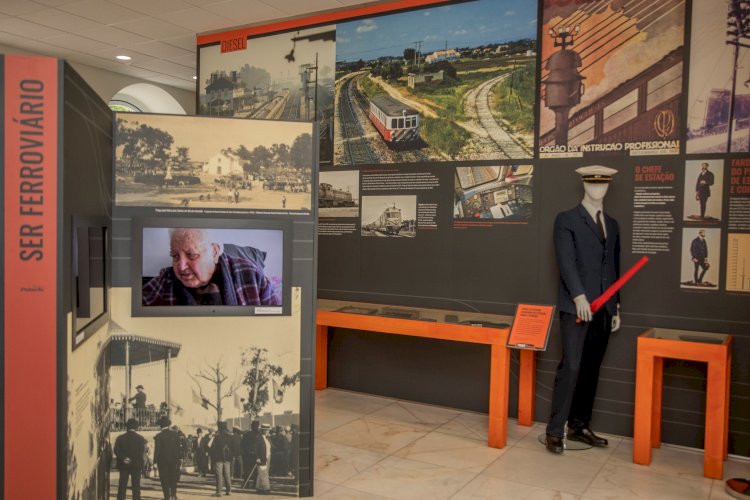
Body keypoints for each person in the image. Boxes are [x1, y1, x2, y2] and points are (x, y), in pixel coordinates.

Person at [545, 165, 621, 454]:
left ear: (608, 186)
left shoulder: (611, 225)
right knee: (572, 366)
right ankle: (555, 430)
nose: (598, 188)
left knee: (591, 368)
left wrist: (617, 306)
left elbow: (613, 266)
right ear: (584, 185)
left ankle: (579, 425)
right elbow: (566, 262)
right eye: (592, 183)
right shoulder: (566, 220)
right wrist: (578, 296)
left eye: (603, 184)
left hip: (604, 307)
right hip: (577, 306)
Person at [142, 228, 279, 306]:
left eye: (192, 255)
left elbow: (276, 321)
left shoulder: (250, 274)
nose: (181, 267)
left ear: (214, 252)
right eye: (175, 256)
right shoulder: (166, 279)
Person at [114, 418, 147, 500]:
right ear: (136, 427)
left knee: (122, 485)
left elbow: (116, 450)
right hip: (136, 465)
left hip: (123, 464)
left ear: (127, 427)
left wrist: (125, 458)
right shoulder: (141, 438)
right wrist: (134, 460)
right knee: (136, 486)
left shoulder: (120, 438)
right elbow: (141, 452)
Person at [153, 416, 181, 500]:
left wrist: (154, 462)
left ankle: (167, 497)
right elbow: (178, 448)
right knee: (173, 477)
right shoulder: (175, 434)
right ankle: (174, 495)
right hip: (174, 460)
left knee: (164, 478)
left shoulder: (158, 436)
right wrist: (179, 458)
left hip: (162, 461)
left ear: (161, 426)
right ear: (168, 424)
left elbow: (157, 450)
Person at [210, 421, 234, 497]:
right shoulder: (230, 437)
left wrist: (213, 458)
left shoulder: (217, 437)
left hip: (218, 459)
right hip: (227, 459)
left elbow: (212, 449)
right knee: (227, 474)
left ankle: (219, 491)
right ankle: (228, 490)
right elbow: (233, 448)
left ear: (219, 428)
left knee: (219, 474)